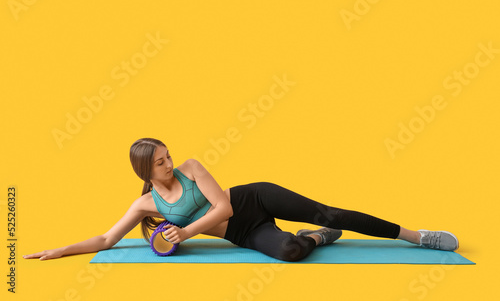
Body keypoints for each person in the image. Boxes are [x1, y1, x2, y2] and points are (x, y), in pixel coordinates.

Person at [23, 138, 459, 262]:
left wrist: (184, 233)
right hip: (244, 234)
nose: (169, 163)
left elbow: (225, 207)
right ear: (144, 172)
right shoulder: (144, 206)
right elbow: (105, 239)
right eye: (159, 162)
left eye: (167, 155)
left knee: (332, 210)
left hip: (252, 199)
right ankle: (318, 238)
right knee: (290, 251)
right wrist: (62, 249)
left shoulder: (191, 166)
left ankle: (418, 236)